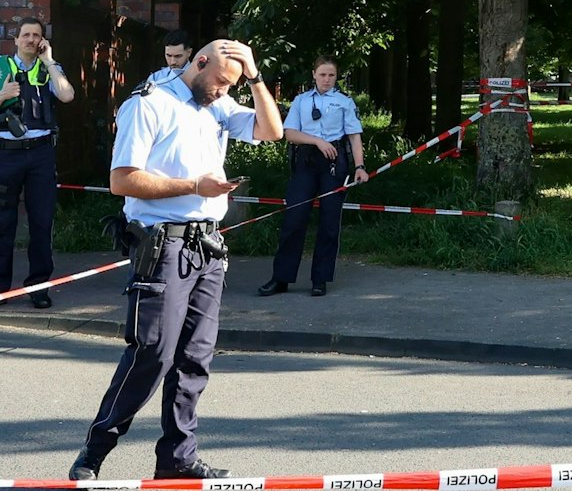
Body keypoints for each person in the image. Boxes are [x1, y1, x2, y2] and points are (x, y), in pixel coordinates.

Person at [70, 39, 282, 482]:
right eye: (220, 82)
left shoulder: (218, 105)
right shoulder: (149, 104)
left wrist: (256, 76)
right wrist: (193, 186)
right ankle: (94, 450)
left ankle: (178, 460)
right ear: (199, 63)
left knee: (195, 359)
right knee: (153, 354)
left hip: (207, 245)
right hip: (162, 245)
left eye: (231, 86)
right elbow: (121, 180)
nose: (223, 92)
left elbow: (271, 131)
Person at [0, 18, 73, 310]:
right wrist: (3, 95)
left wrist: (50, 61)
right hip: (8, 154)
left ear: (42, 41)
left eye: (36, 35)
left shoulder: (49, 69)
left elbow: (67, 95)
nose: (31, 39)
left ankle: (39, 287)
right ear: (15, 40)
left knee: (42, 223)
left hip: (41, 154)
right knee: (2, 223)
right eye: (26, 35)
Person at [259, 57, 367, 298]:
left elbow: (354, 136)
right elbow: (290, 134)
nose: (327, 80)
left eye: (331, 75)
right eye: (322, 75)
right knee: (294, 218)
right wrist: (318, 141)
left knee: (329, 222)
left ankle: (320, 279)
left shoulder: (344, 102)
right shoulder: (301, 101)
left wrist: (359, 166)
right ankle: (281, 278)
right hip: (307, 160)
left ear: (337, 77)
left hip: (333, 164)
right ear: (313, 74)